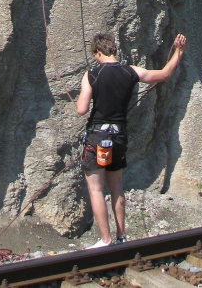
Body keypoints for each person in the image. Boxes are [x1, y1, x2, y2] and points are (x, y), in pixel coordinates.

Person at [76, 31, 187, 248]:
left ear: (98, 52)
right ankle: (121, 236)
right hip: (118, 137)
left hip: (98, 136)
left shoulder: (92, 74)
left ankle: (105, 240)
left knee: (96, 188)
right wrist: (178, 51)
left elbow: (81, 109)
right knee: (116, 186)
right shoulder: (131, 71)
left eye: (95, 54)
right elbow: (164, 74)